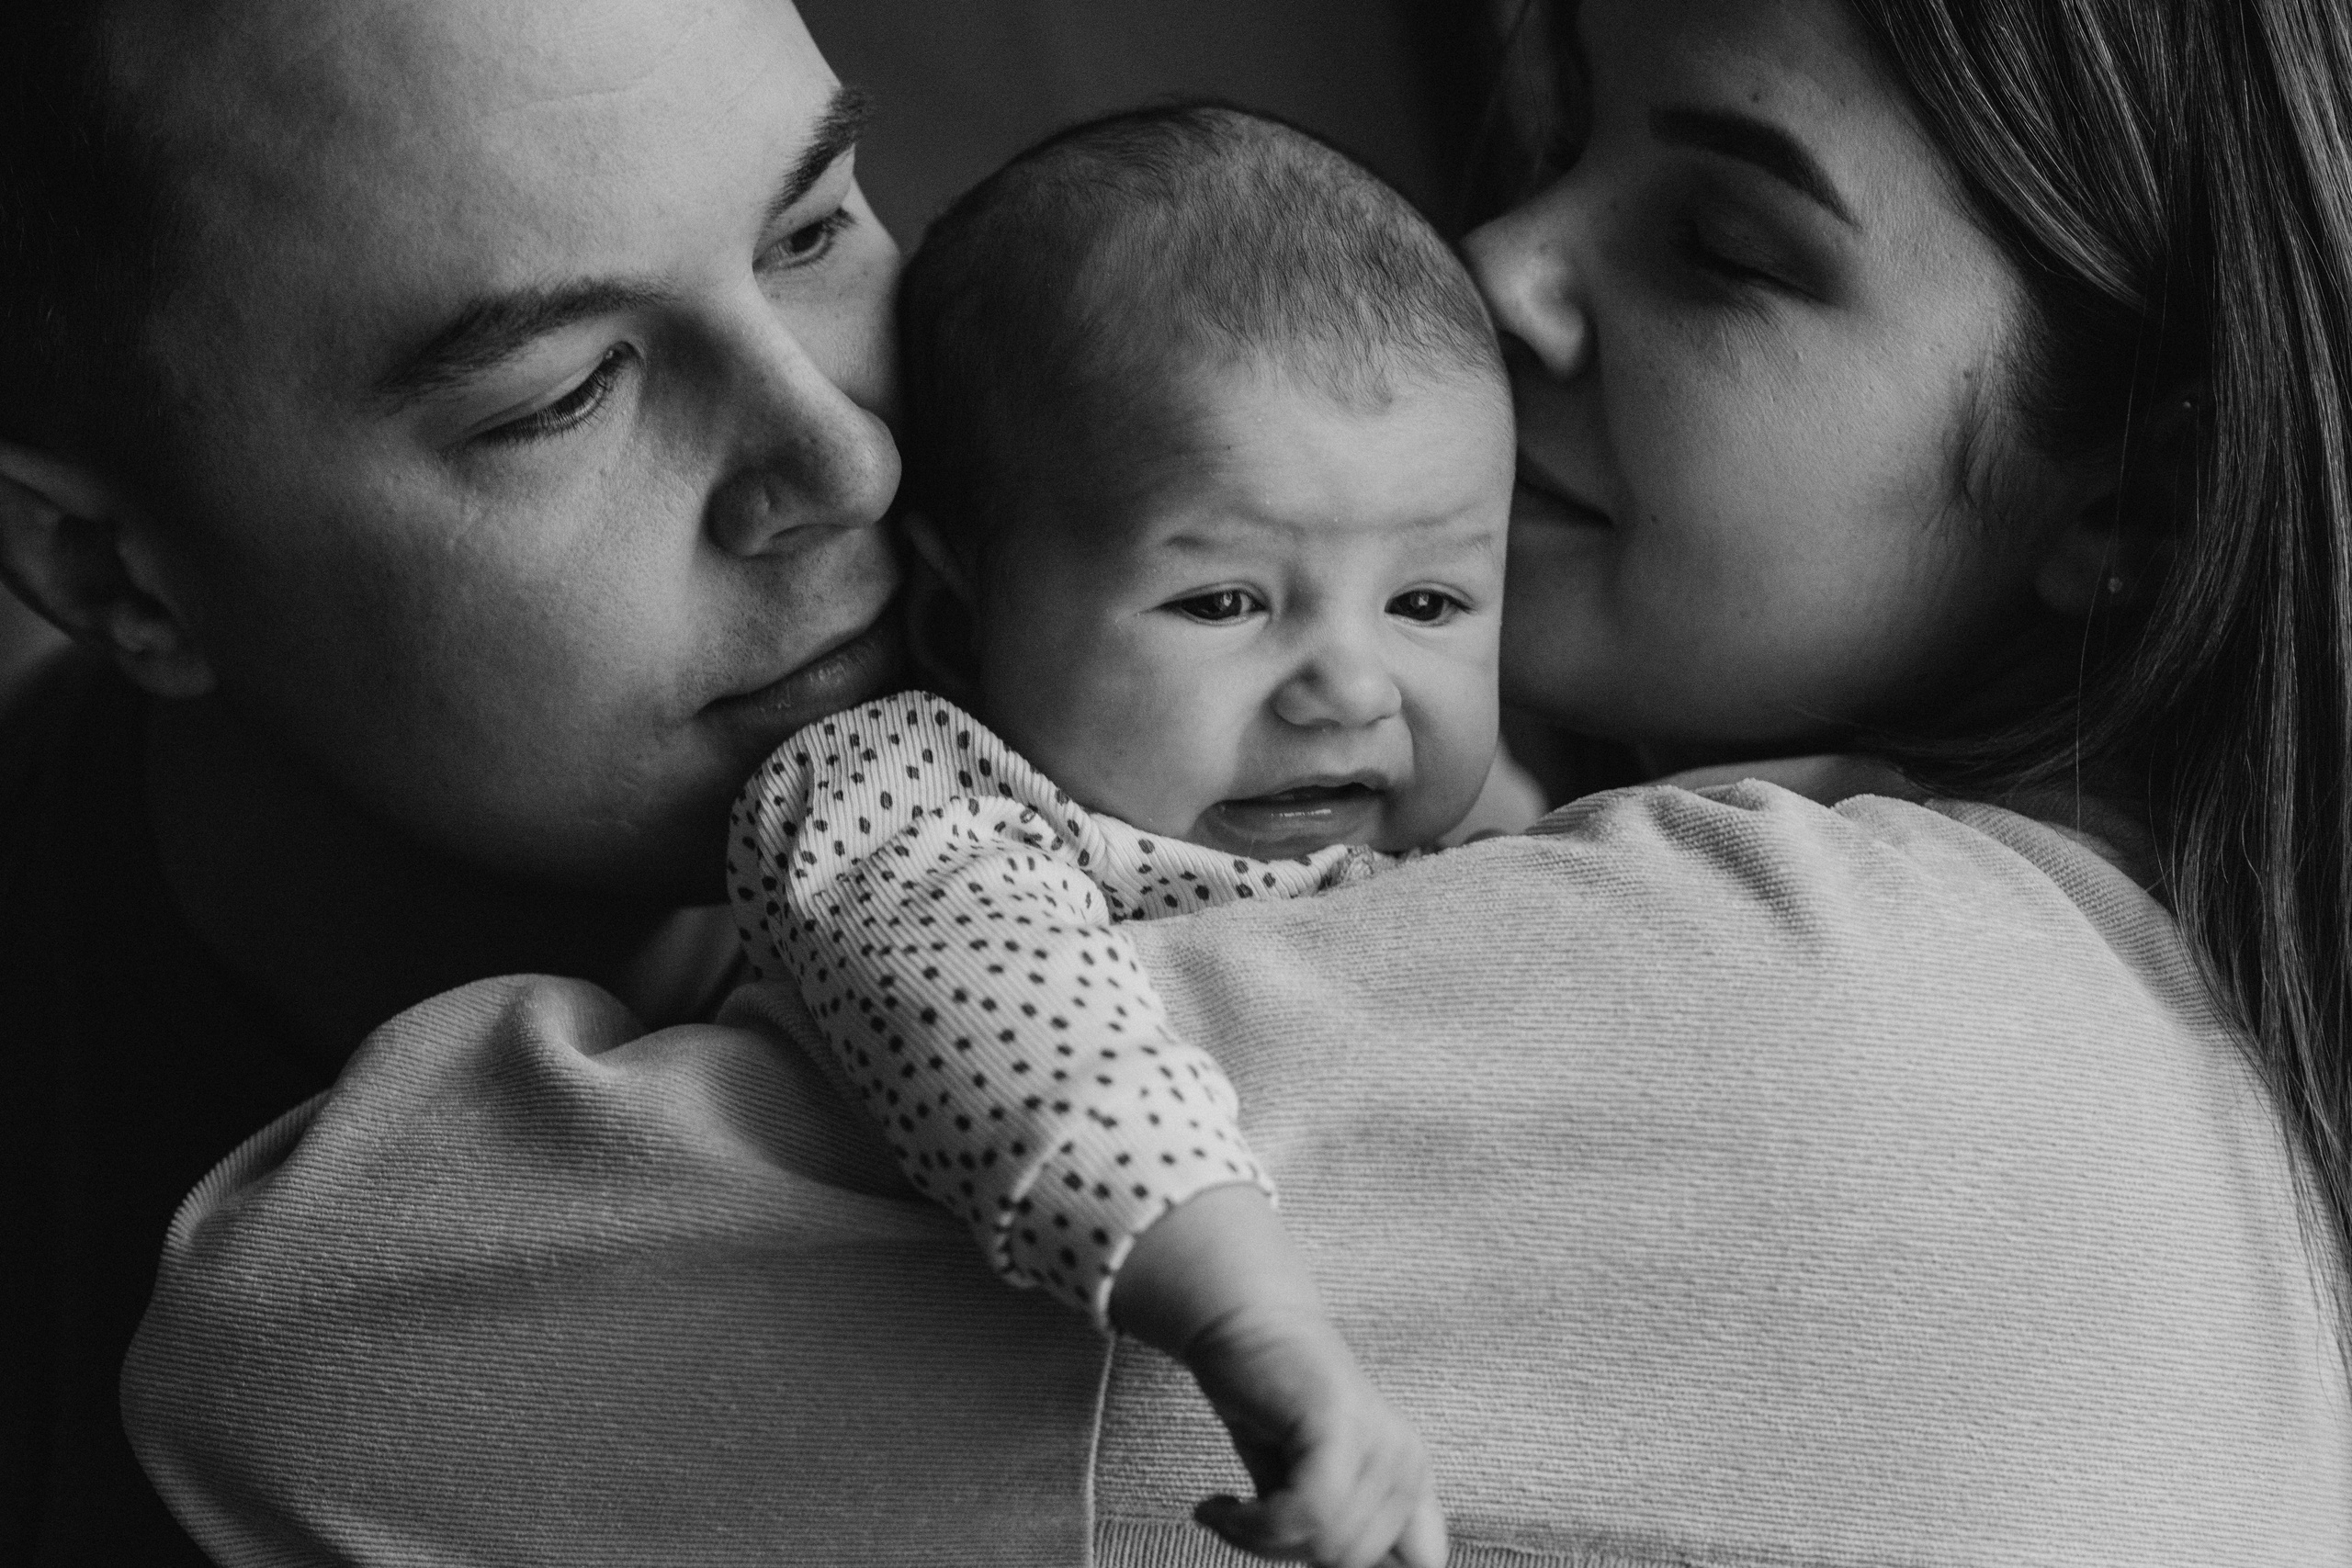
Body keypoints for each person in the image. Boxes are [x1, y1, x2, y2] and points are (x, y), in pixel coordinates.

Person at [8, 0, 2348, 1562]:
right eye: (552, 396)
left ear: (2131, 494)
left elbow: (311, 1345)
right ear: (103, 575)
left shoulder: (1855, 1013)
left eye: (814, 224)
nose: (832, 449)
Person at [732, 103, 1521, 1566]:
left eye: (1427, 603)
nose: (1352, 687)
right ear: (963, 626)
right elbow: (1019, 1032)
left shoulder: (1459, 832)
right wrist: (1251, 1319)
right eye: (1225, 601)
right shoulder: (911, 803)